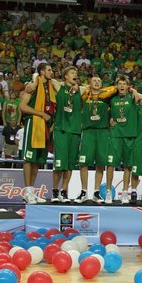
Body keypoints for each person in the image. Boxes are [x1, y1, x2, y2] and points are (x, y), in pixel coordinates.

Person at [19, 63, 56, 204]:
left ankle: (31, 191)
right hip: (33, 123)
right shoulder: (32, 86)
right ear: (41, 72)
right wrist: (41, 114)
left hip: (45, 126)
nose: (52, 72)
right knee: (29, 159)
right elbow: (22, 106)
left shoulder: (50, 86)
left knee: (37, 161)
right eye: (49, 70)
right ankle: (27, 190)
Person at [76, 76, 116, 204]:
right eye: (94, 80)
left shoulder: (106, 97)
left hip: (103, 132)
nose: (97, 82)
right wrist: (86, 87)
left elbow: (116, 88)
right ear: (89, 83)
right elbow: (76, 89)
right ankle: (83, 192)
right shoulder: (84, 96)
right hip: (88, 132)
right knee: (84, 163)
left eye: (99, 81)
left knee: (100, 163)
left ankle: (96, 192)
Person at [105, 75, 141, 204]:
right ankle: (108, 192)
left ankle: (125, 192)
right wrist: (109, 120)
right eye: (119, 84)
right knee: (110, 164)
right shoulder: (112, 99)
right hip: (115, 134)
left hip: (129, 134)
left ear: (128, 86)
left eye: (124, 84)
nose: (121, 86)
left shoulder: (132, 97)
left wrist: (134, 91)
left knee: (128, 166)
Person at [48, 66, 81, 203]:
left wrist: (78, 85)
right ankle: (55, 191)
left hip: (74, 131)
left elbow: (93, 88)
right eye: (72, 73)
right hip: (61, 129)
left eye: (76, 73)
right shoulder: (59, 86)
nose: (75, 74)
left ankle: (64, 191)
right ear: (66, 76)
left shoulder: (81, 90)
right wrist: (65, 83)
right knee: (59, 164)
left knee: (69, 165)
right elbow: (47, 77)